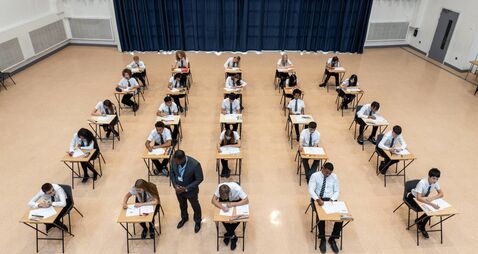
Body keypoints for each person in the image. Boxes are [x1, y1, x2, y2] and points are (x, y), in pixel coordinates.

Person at [308, 162, 341, 254]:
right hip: (318, 199)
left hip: (330, 200)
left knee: (340, 218)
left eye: (329, 173)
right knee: (321, 217)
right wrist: (318, 199)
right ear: (322, 168)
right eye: (326, 172)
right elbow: (311, 190)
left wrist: (332, 199)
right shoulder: (315, 176)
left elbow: (337, 191)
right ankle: (322, 238)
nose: (328, 174)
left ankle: (333, 238)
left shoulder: (334, 177)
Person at [171, 150, 204, 233]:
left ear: (182, 159)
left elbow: (199, 179)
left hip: (191, 191)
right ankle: (184, 218)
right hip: (178, 190)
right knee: (182, 205)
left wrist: (186, 188)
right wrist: (175, 185)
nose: (175, 162)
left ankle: (197, 221)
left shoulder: (195, 164)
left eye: (177, 161)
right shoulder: (174, 160)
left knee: (195, 206)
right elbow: (172, 172)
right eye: (175, 161)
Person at [211, 182, 249, 250]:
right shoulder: (219, 187)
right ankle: (233, 236)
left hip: (236, 200)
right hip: (224, 203)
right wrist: (222, 207)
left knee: (237, 219)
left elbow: (246, 200)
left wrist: (234, 204)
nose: (225, 198)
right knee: (223, 218)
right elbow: (213, 200)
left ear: (230, 192)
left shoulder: (237, 189)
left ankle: (228, 234)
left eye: (226, 197)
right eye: (223, 197)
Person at [407, 168, 443, 239]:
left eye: (437, 179)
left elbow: (441, 194)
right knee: (430, 209)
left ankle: (419, 221)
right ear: (429, 177)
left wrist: (432, 198)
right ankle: (422, 226)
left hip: (423, 198)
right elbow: (418, 198)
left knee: (432, 210)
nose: (435, 181)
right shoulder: (422, 183)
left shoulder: (435, 183)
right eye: (433, 178)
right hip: (413, 198)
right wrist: (432, 204)